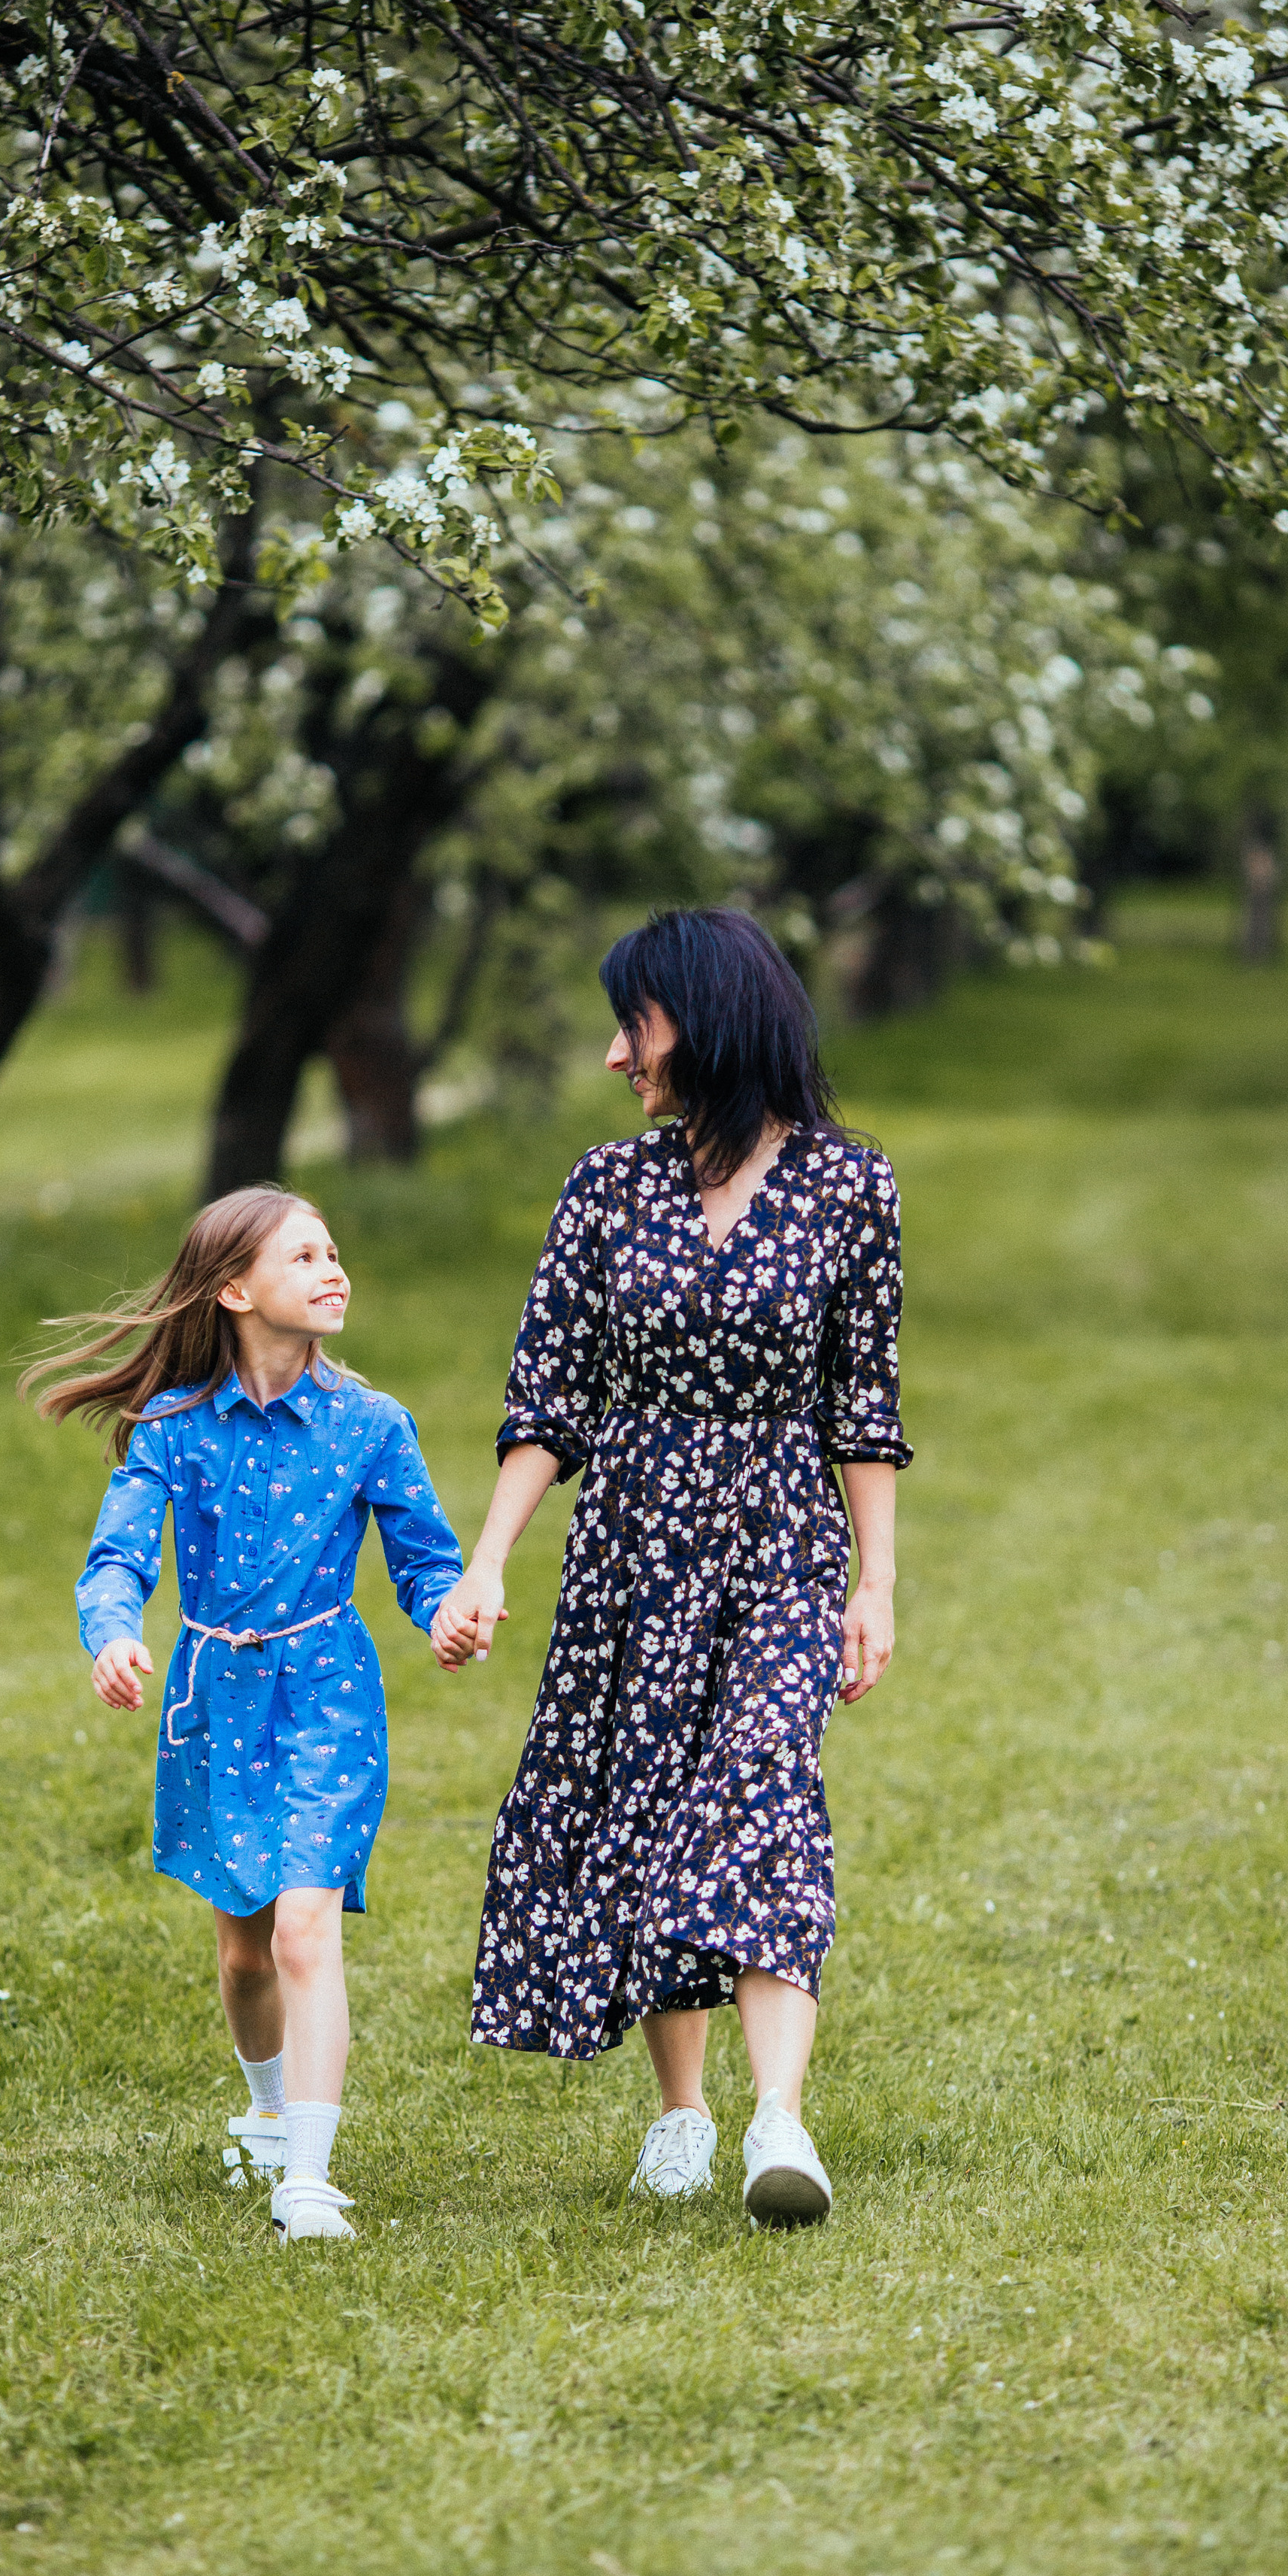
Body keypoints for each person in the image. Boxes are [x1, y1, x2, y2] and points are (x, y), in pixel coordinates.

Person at [431, 909, 910, 2227]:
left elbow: (862, 1404)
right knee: (646, 1813)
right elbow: (550, 1399)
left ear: (699, 1020)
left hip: (781, 1542)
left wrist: (875, 1582)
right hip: (631, 1545)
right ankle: (682, 2119)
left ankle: (782, 2125)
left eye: (630, 1024)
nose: (610, 1055)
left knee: (758, 1792)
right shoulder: (605, 1188)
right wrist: (484, 1564)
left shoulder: (851, 1189)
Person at [23, 1186, 462, 2247]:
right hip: (212, 1700)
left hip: (327, 1695)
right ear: (233, 1289)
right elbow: (118, 1556)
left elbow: (426, 1561)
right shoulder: (172, 1430)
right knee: (246, 1952)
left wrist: (450, 1613)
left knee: (307, 1927)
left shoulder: (373, 1425)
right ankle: (268, 2111)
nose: (332, 1269)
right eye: (304, 1256)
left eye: (334, 1251)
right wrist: (115, 1633)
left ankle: (307, 2178)